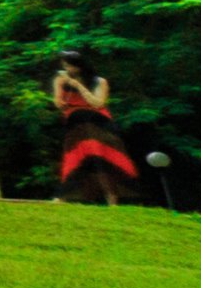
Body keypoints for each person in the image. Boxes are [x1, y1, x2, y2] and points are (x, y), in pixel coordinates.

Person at [50, 55, 140, 206]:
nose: (67, 69)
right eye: (65, 66)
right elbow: (59, 103)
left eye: (70, 66)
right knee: (74, 159)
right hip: (76, 124)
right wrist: (62, 86)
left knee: (103, 159)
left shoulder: (99, 81)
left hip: (98, 123)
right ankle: (63, 196)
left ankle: (112, 200)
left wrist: (78, 85)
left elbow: (98, 103)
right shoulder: (61, 80)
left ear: (79, 66)